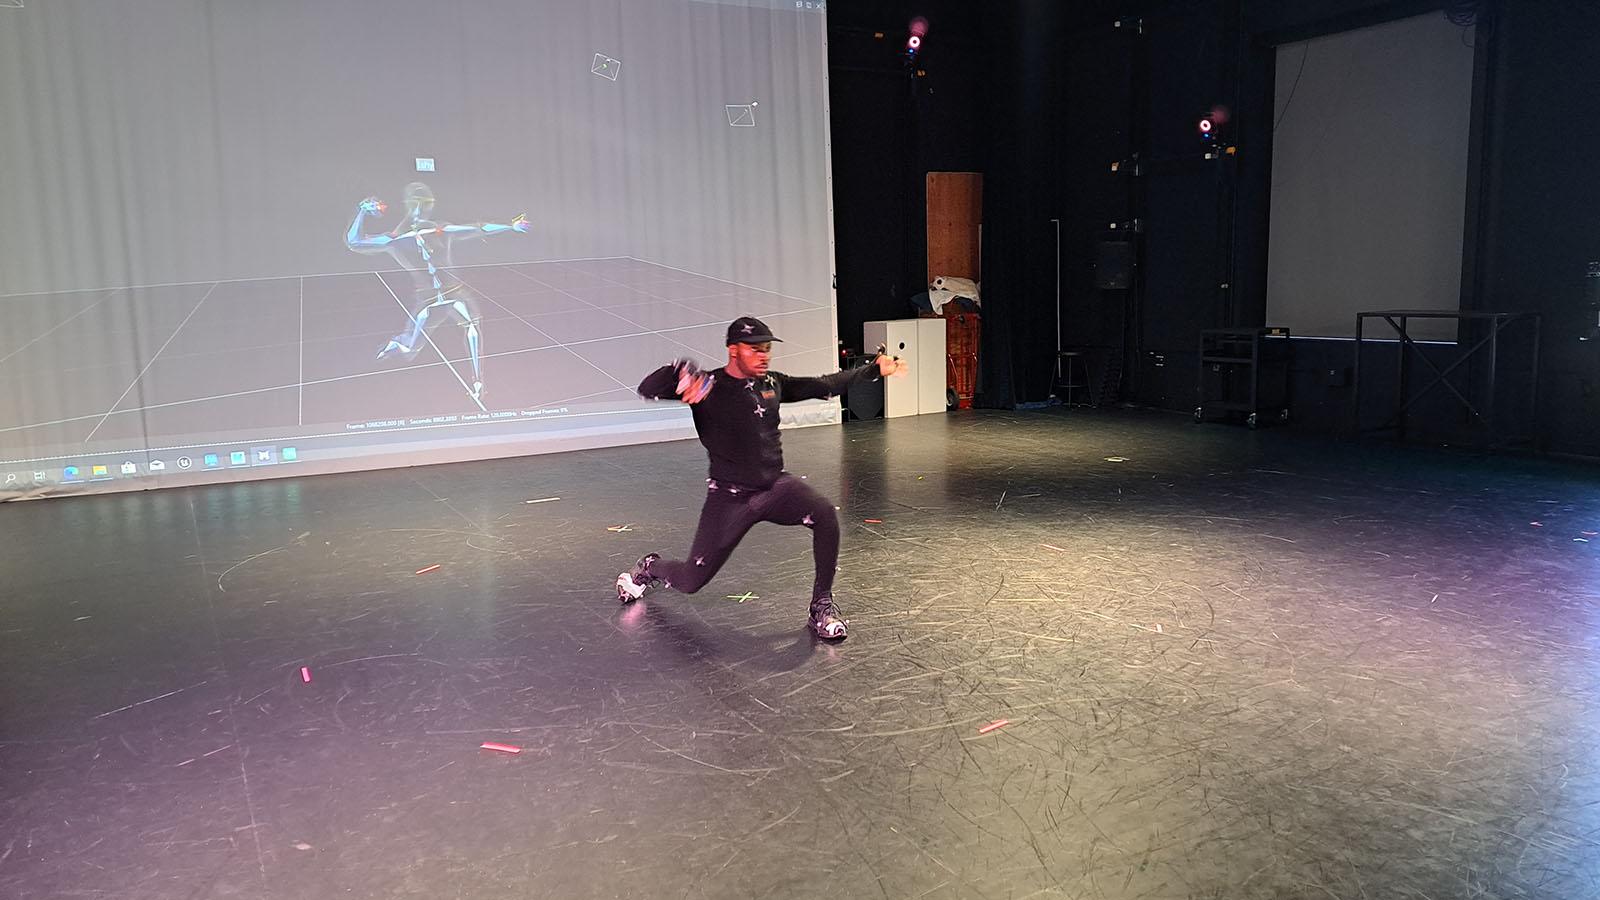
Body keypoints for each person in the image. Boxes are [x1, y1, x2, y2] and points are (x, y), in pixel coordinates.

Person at [615, 316, 908, 640]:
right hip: (729, 497)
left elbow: (824, 385)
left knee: (824, 514)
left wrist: (871, 370)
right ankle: (649, 567)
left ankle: (820, 607)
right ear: (733, 350)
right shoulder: (708, 387)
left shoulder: (771, 383)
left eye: (766, 348)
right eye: (755, 349)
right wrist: (680, 372)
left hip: (774, 487)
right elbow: (647, 388)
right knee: (691, 579)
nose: (763, 355)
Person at [344, 182, 530, 404]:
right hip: (427, 297)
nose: (420, 208)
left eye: (424, 203)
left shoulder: (439, 230)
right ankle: (397, 344)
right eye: (417, 203)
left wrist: (510, 226)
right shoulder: (397, 239)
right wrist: (361, 211)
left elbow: (479, 227)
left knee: (472, 327)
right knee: (410, 347)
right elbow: (355, 241)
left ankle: (477, 382)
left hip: (453, 292)